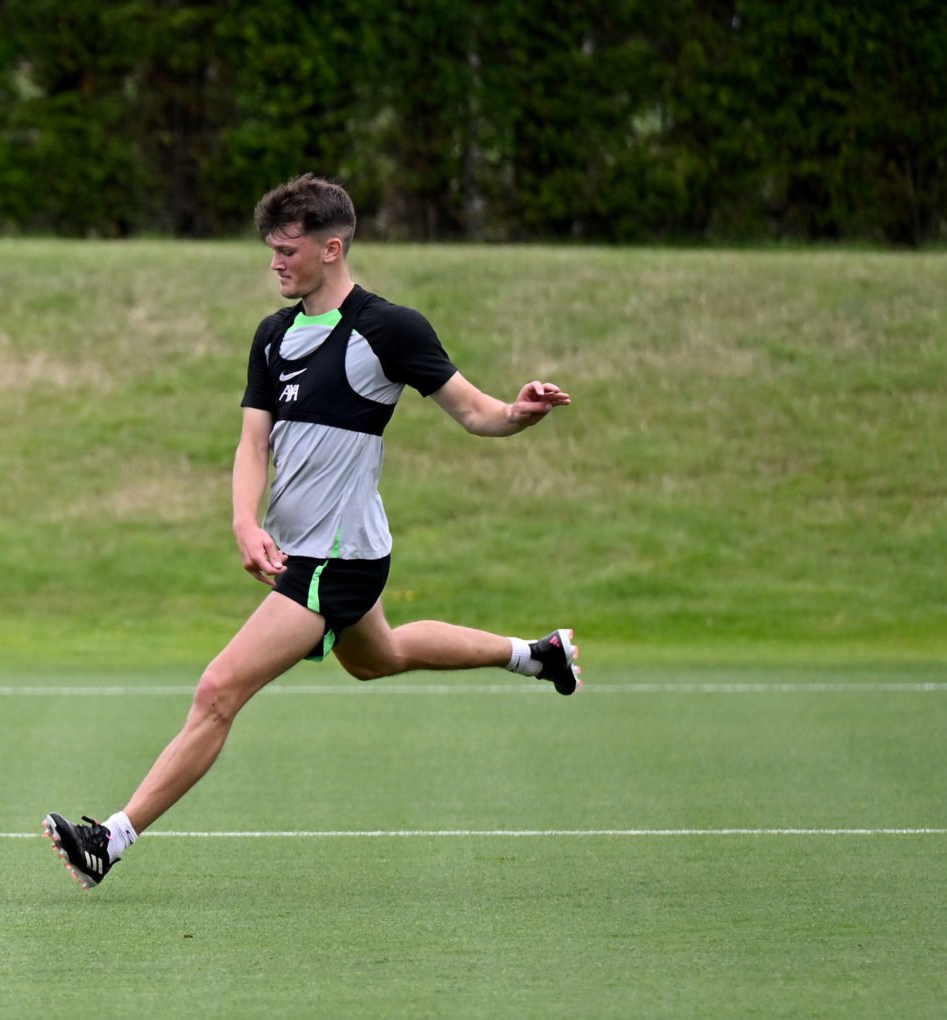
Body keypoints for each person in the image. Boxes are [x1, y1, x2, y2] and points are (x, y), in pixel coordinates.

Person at [43, 174, 578, 890]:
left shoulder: (390, 329)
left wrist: (518, 412)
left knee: (218, 692)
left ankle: (110, 839)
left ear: (332, 248)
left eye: (287, 250)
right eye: (270, 249)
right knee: (378, 657)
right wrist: (243, 521)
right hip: (317, 553)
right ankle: (535, 655)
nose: (275, 263)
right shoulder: (274, 336)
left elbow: (476, 411)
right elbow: (251, 446)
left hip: (337, 559)